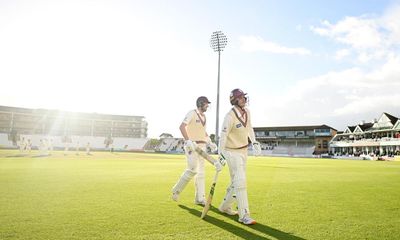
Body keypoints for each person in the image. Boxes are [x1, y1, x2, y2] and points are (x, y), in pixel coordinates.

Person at [217, 88, 262, 225]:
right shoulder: (229, 116)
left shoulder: (247, 112)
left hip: (243, 152)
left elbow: (250, 128)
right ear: (234, 100)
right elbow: (223, 136)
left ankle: (224, 206)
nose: (244, 99)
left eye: (244, 97)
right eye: (241, 97)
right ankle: (244, 215)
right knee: (241, 181)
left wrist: (254, 142)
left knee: (235, 182)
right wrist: (221, 155)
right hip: (231, 152)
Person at [172, 96, 222, 206]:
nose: (207, 106)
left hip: (202, 146)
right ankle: (176, 191)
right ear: (200, 103)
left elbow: (203, 132)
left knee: (201, 173)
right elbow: (182, 126)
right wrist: (188, 140)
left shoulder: (204, 117)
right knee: (192, 169)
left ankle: (200, 198)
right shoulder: (192, 113)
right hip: (192, 145)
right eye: (206, 104)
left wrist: (210, 142)